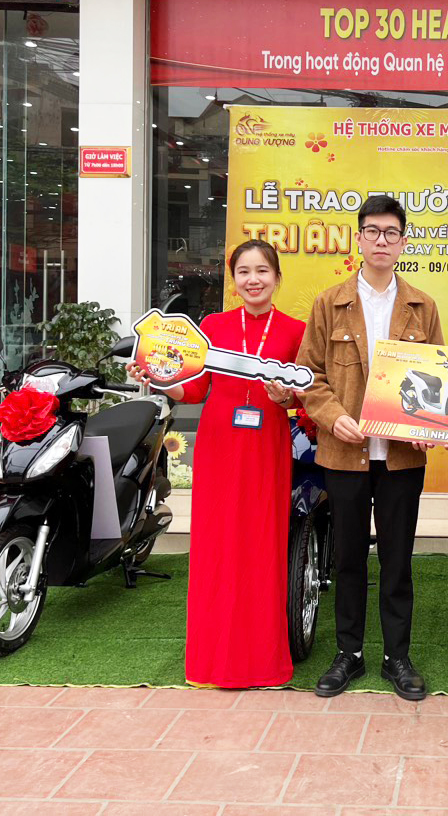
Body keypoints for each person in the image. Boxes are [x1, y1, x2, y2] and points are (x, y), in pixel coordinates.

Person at [127, 239, 305, 688]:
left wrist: (286, 398)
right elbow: (194, 390)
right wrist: (157, 380)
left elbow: (304, 397)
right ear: (233, 279)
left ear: (277, 277)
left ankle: (262, 663)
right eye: (244, 272)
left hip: (267, 446)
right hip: (220, 446)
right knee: (217, 549)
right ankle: (213, 662)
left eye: (262, 271)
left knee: (263, 547)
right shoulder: (212, 327)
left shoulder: (295, 331)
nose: (253, 280)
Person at [297, 194, 444, 701]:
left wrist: (431, 424)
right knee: (348, 558)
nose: (382, 241)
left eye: (392, 233)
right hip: (345, 454)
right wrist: (333, 417)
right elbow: (309, 375)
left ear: (403, 242)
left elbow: (438, 378)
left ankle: (396, 657)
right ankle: (350, 654)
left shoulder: (422, 306)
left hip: (402, 457)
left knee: (398, 560)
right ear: (359, 238)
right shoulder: (329, 302)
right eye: (373, 232)